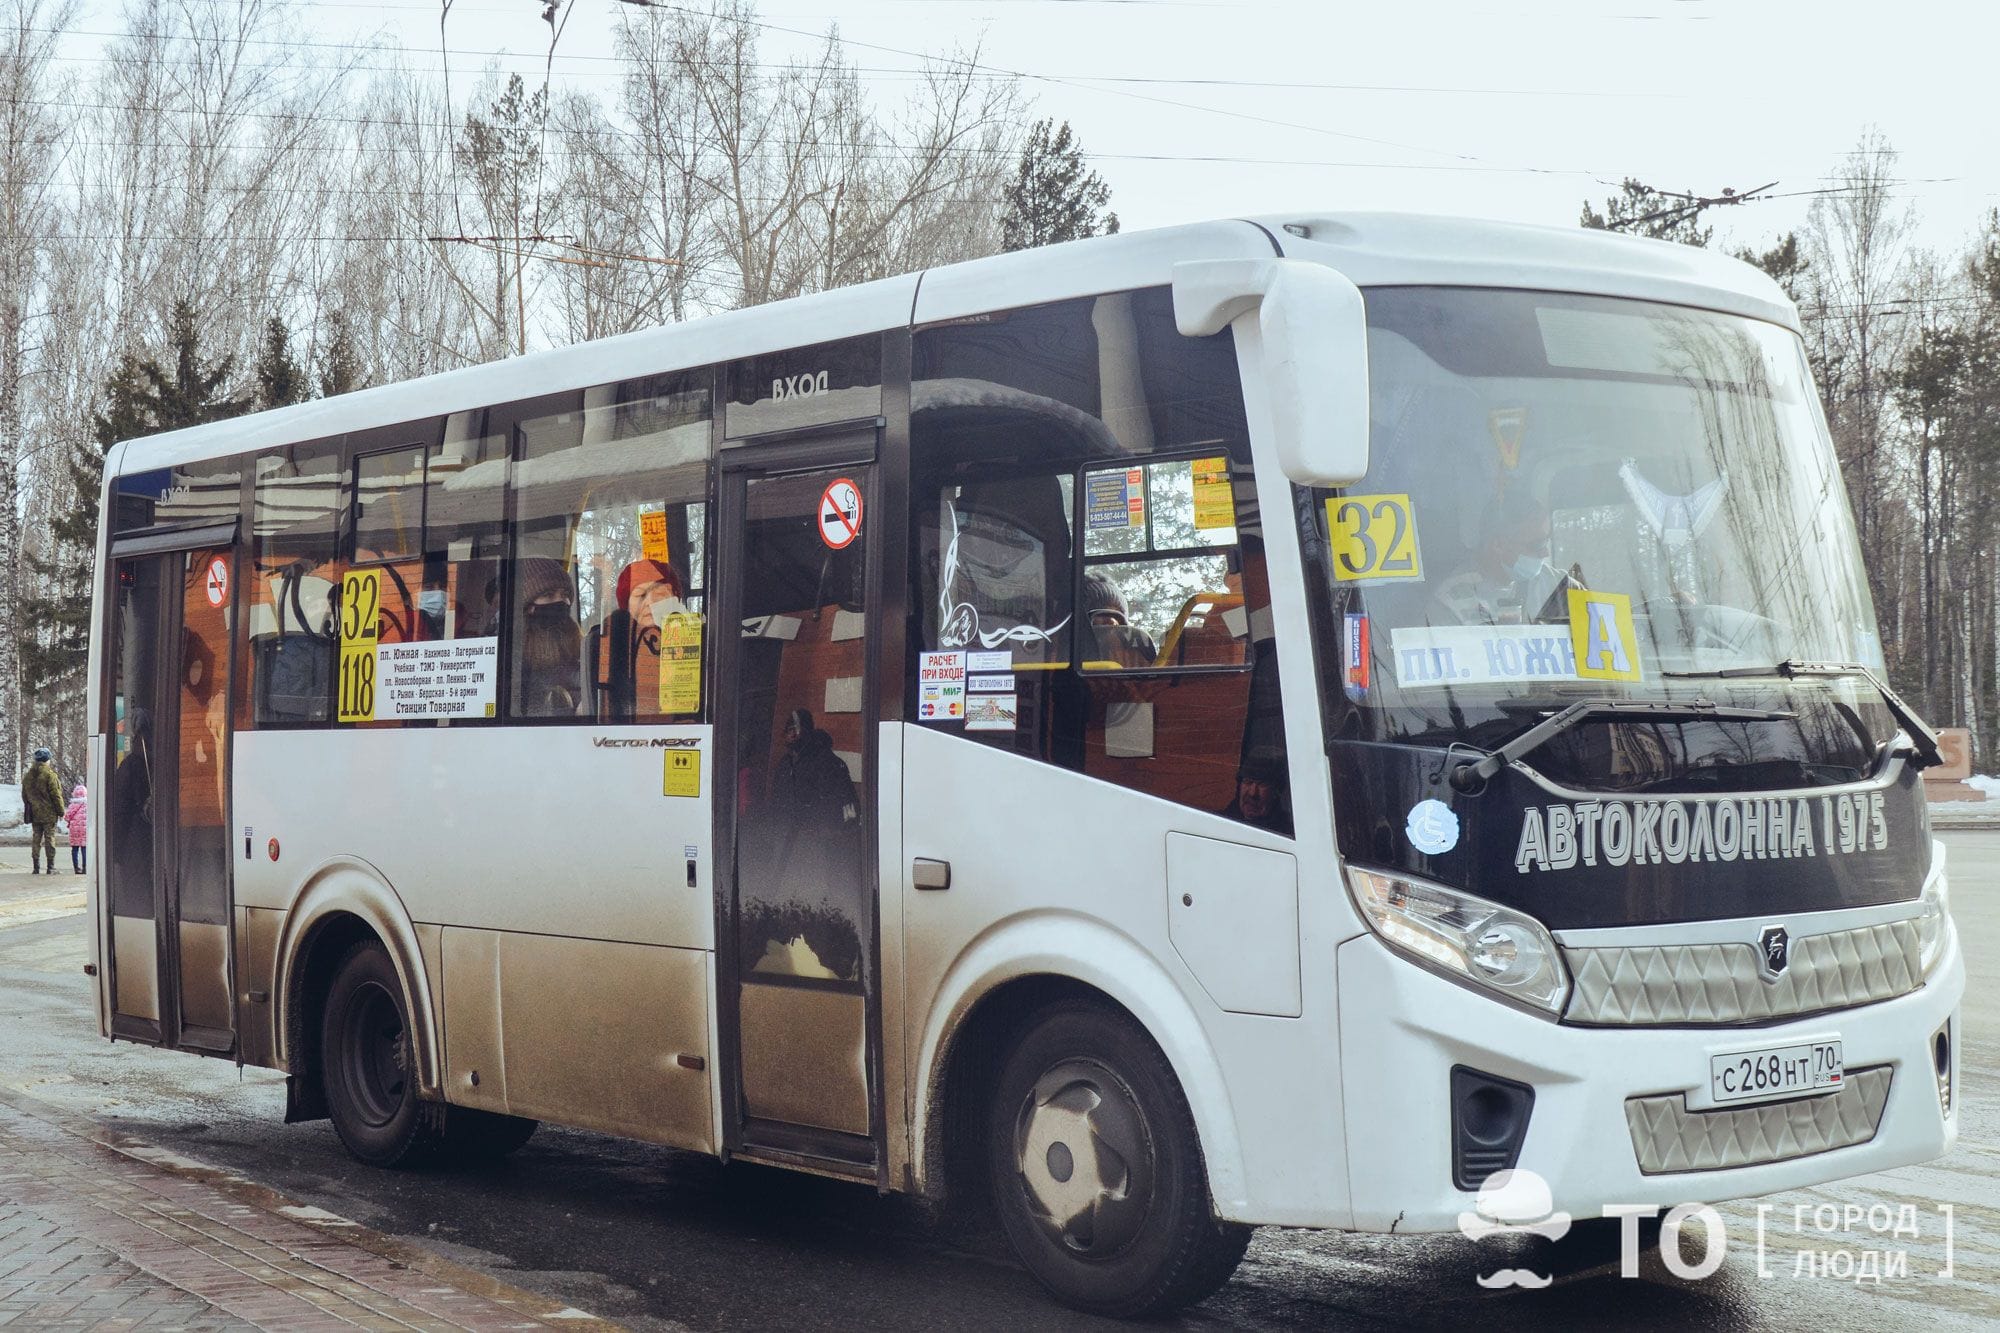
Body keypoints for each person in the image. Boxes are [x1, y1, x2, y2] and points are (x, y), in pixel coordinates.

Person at [592, 559, 689, 719]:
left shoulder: (701, 640)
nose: (650, 602)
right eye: (640, 595)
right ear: (627, 604)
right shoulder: (604, 644)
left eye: (659, 594)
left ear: (674, 598)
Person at [770, 708, 858, 832]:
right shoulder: (785, 763)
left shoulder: (829, 763)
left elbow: (847, 813)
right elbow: (776, 803)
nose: (793, 734)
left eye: (797, 729)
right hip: (784, 840)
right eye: (790, 730)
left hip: (815, 843)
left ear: (808, 732)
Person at [516, 558, 584, 716]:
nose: (561, 601)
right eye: (549, 595)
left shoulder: (581, 649)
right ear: (528, 607)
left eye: (565, 594)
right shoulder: (516, 661)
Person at [1083, 572, 1158, 668]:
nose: (1112, 621)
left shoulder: (1133, 660)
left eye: (1118, 616)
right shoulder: (1063, 661)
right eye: (1101, 613)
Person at [18, 747, 65, 876]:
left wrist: (31, 804)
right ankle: (51, 867)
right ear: (47, 760)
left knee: (36, 838)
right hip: (49, 813)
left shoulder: (28, 776)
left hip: (34, 812)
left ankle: (36, 867)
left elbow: (24, 795)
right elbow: (56, 795)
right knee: (50, 838)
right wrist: (61, 811)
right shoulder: (50, 775)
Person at [1222, 750, 1292, 835]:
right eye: (1248, 782)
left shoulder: (1286, 833)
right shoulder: (1221, 822)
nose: (1253, 793)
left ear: (1276, 791)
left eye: (1262, 784)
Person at [64, 785, 88, 875]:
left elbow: (67, 817)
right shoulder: (87, 805)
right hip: (85, 829)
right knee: (84, 848)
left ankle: (76, 868)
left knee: (75, 849)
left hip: (74, 830)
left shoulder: (72, 805)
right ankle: (85, 867)